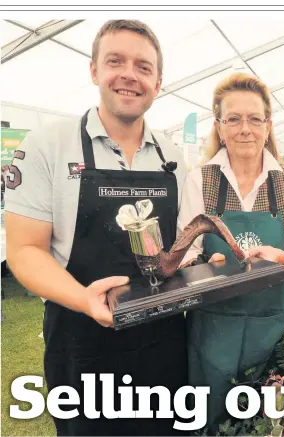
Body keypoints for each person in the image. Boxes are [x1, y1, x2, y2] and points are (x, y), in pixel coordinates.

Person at [4, 20, 188, 436]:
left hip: (163, 339)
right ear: (93, 71)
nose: (129, 75)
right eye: (115, 61)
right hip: (81, 338)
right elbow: (24, 250)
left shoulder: (172, 154)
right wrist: (84, 299)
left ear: (158, 82)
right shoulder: (47, 145)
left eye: (143, 66)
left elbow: (175, 246)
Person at [177, 72, 284, 430]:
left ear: (267, 125)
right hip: (212, 327)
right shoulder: (201, 180)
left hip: (271, 326)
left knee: (264, 422)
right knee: (211, 419)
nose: (245, 129)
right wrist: (202, 264)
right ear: (219, 126)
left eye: (255, 119)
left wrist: (283, 257)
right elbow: (184, 254)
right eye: (234, 119)